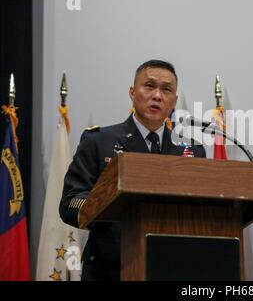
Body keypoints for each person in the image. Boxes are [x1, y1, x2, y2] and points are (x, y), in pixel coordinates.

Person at [59, 60, 206, 281]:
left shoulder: (192, 151)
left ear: (174, 100)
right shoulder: (99, 141)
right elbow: (70, 203)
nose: (157, 95)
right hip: (111, 269)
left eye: (166, 89)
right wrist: (112, 204)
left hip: (172, 268)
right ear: (132, 92)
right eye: (149, 86)